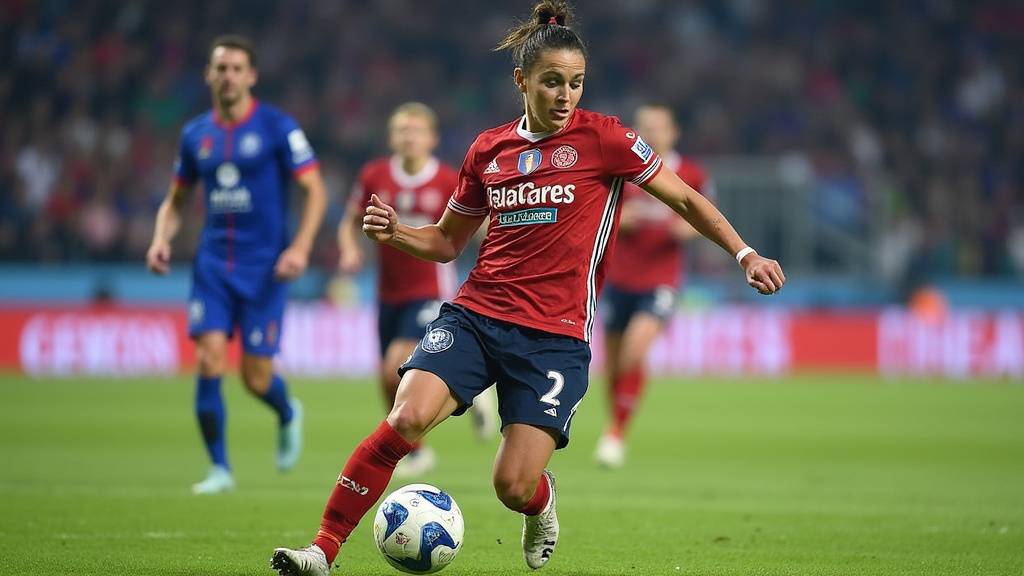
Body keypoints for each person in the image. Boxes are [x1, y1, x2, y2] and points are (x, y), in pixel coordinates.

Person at [270, 2, 784, 573]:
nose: (566, 95)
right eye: (553, 82)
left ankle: (543, 502)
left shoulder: (606, 139)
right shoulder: (488, 150)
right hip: (476, 314)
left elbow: (685, 197)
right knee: (405, 418)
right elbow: (445, 242)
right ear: (522, 81)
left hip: (554, 338)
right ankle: (322, 550)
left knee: (513, 485)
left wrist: (744, 253)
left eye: (576, 83)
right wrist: (396, 234)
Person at [147, 35, 327, 494]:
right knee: (208, 359)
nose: (227, 76)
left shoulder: (276, 126)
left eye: (235, 68)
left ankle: (287, 412)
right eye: (219, 68)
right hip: (213, 266)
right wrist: (160, 240)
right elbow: (175, 201)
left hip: (267, 269)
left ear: (251, 76)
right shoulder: (195, 135)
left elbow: (315, 190)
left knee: (255, 377)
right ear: (209, 75)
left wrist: (301, 248)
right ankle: (220, 470)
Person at [336, 102, 497, 478]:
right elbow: (351, 220)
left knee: (396, 366)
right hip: (388, 293)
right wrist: (348, 247)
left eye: (416, 130)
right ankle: (422, 445)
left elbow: (473, 224)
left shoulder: (445, 179)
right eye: (402, 130)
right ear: (392, 137)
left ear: (432, 138)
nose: (409, 137)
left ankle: (416, 444)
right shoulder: (375, 175)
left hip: (430, 290)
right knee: (386, 374)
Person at [595, 104, 715, 468]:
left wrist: (687, 229)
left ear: (673, 132)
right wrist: (620, 220)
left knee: (635, 349)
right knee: (614, 364)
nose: (651, 133)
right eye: (644, 127)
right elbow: (598, 212)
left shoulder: (691, 173)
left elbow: (705, 216)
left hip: (661, 280)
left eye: (658, 127)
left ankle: (616, 433)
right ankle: (614, 424)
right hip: (617, 277)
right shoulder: (622, 169)